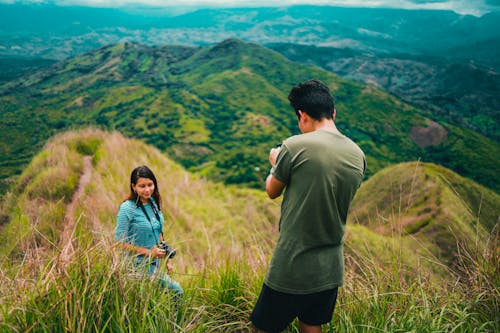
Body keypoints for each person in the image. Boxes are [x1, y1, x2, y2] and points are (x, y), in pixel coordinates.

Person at [250, 80, 366, 333]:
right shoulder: (358, 155)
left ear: (302, 115)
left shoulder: (294, 146)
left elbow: (272, 191)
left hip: (292, 262)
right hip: (330, 265)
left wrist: (275, 161)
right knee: (312, 326)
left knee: (262, 327)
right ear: (333, 112)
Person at [115, 165, 183, 298]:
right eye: (142, 186)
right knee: (177, 292)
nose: (147, 190)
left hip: (154, 263)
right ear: (133, 186)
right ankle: (176, 320)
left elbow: (158, 230)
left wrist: (168, 257)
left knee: (154, 299)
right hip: (136, 266)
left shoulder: (153, 202)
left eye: (150, 184)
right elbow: (119, 243)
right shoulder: (127, 208)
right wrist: (150, 253)